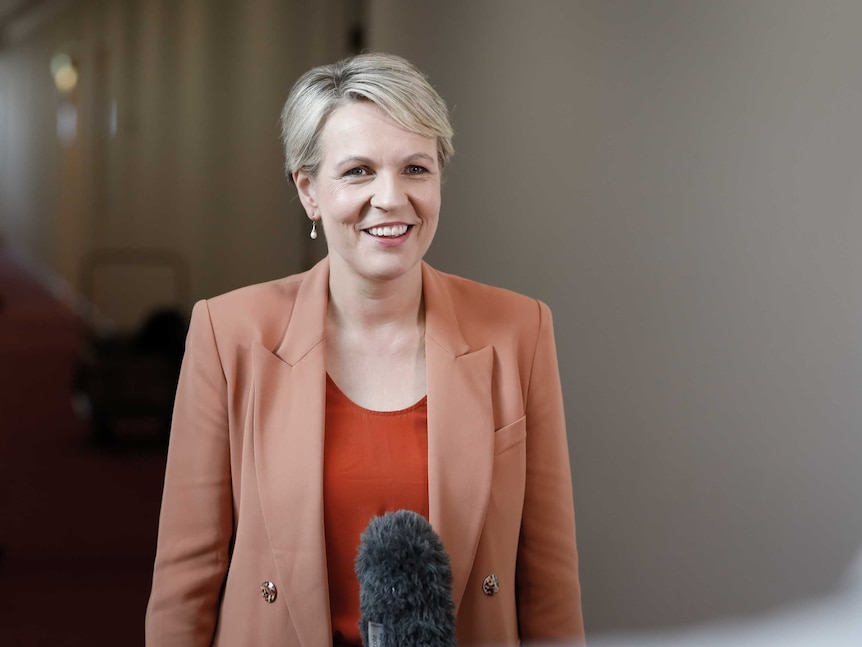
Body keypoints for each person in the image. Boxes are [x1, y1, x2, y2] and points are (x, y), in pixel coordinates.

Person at [145, 52, 584, 647]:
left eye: (415, 169)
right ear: (309, 191)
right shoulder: (228, 334)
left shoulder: (519, 330)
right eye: (357, 172)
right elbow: (184, 584)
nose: (391, 198)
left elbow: (550, 588)